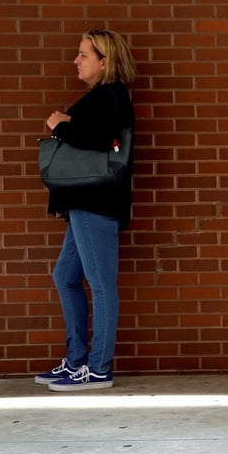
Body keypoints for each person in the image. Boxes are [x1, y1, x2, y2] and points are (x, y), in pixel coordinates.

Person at [34, 29, 136, 392]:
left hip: (97, 203)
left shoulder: (111, 96)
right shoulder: (102, 96)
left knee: (101, 284)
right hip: (83, 203)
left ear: (104, 61)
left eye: (83, 55)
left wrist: (61, 124)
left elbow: (98, 140)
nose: (76, 61)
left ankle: (97, 368)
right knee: (66, 276)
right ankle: (77, 360)